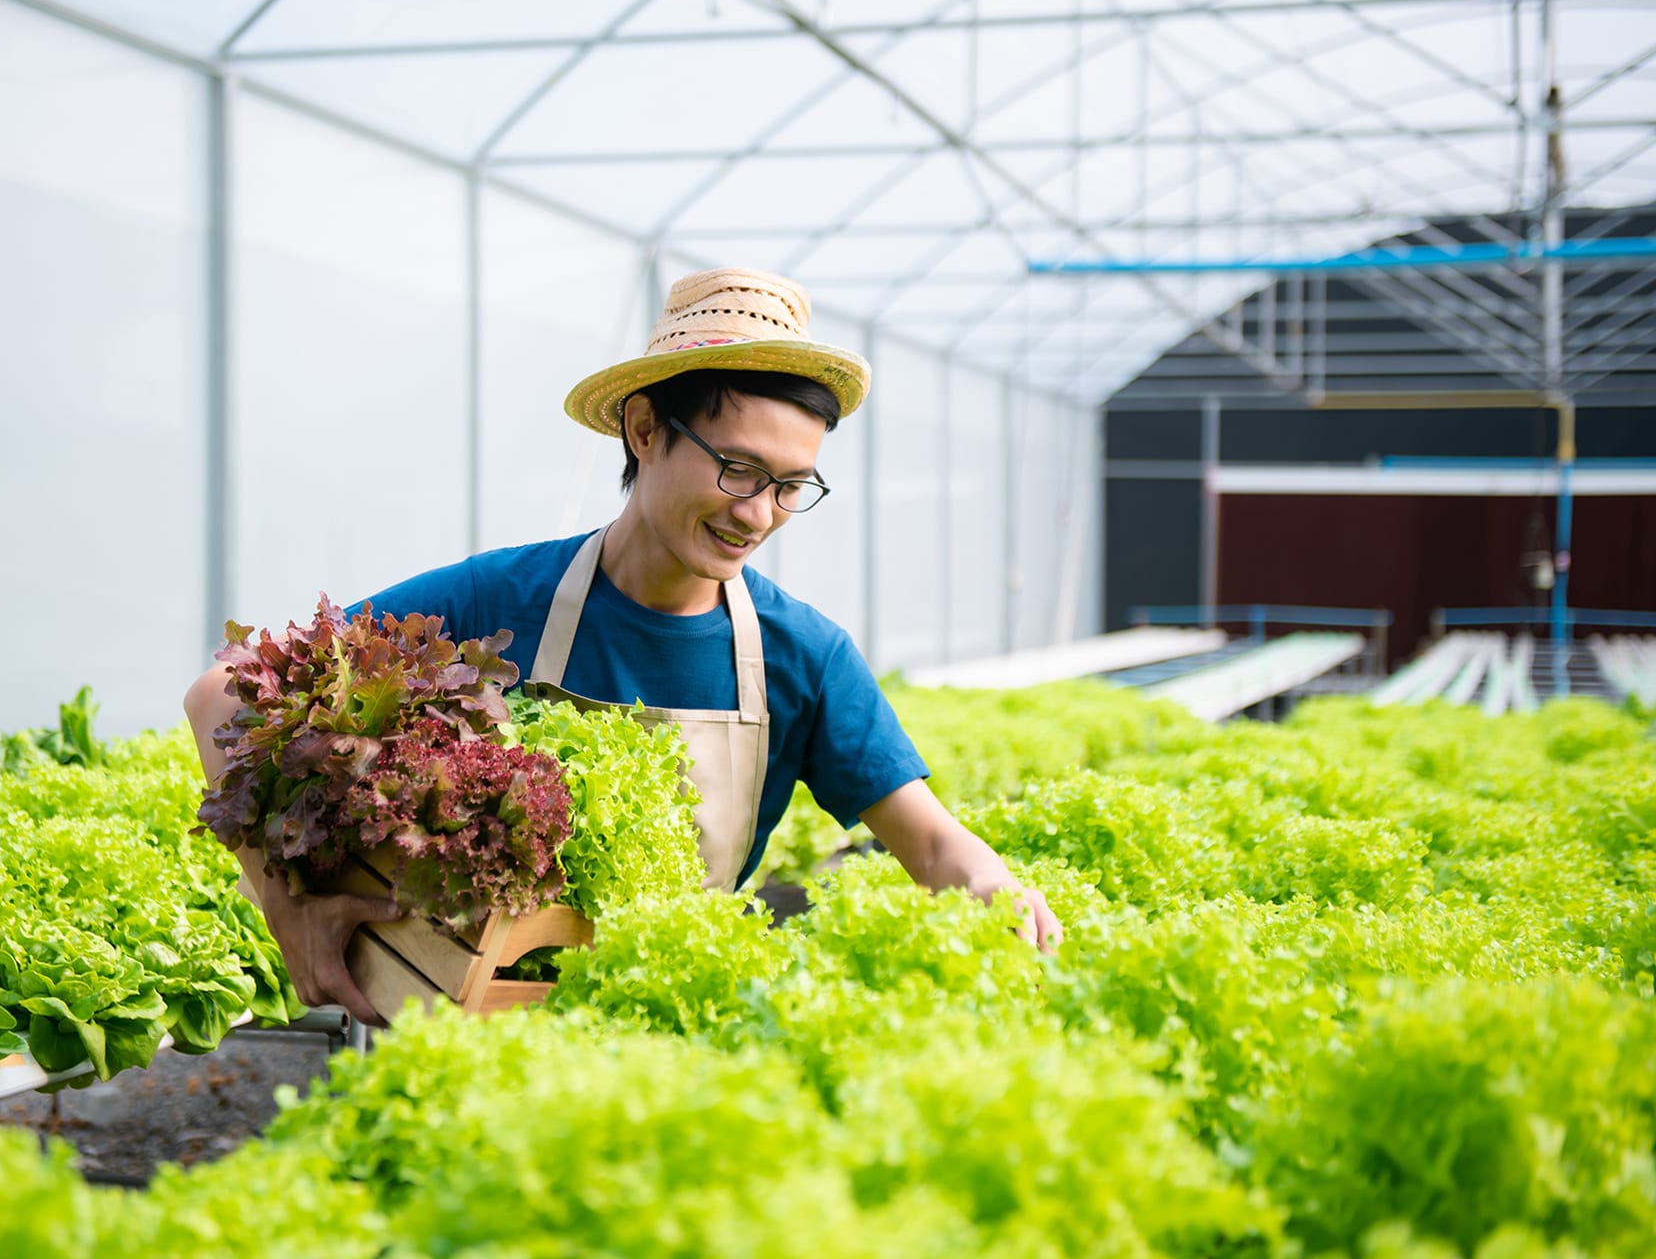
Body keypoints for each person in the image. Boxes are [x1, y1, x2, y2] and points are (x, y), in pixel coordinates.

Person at [184, 267, 1060, 1026]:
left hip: (665, 1041)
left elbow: (937, 848)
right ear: (644, 431)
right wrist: (286, 904)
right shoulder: (494, 601)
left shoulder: (805, 656)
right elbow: (222, 692)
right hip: (459, 1032)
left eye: (791, 487)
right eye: (740, 470)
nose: (756, 514)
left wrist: (1005, 898)